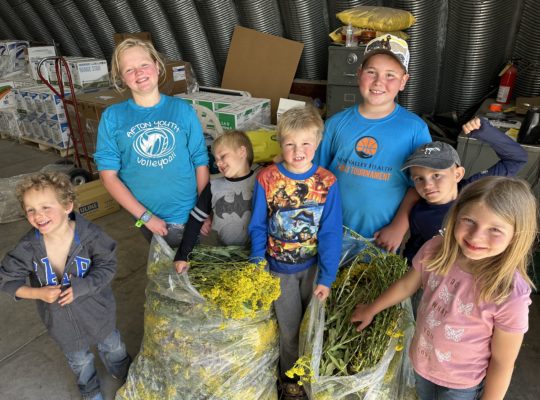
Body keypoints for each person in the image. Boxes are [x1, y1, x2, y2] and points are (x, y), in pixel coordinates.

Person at [351, 176, 537, 400]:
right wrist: (371, 309)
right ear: (456, 215)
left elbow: (502, 361)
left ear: (517, 236)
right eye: (469, 220)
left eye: (495, 230)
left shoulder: (509, 292)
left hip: (461, 385)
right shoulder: (436, 249)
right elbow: (407, 284)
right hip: (421, 365)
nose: (476, 236)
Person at [0, 172, 131, 400]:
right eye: (30, 210)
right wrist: (37, 292)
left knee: (113, 346)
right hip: (62, 323)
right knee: (80, 361)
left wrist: (83, 287)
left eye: (45, 207)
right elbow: (6, 279)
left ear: (67, 206)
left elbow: (107, 265)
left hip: (97, 313)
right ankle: (90, 390)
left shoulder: (90, 236)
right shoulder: (28, 248)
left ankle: (124, 372)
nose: (38, 215)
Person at [249, 106, 343, 399]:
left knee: (311, 328)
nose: (298, 151)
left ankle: (311, 375)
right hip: (279, 270)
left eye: (305, 143)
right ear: (280, 142)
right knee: (288, 329)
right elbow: (257, 225)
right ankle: (289, 378)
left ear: (317, 143)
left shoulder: (327, 182)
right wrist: (257, 262)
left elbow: (330, 232)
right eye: (290, 144)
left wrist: (326, 277)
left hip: (313, 269)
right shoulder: (267, 178)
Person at [316, 34, 431, 252]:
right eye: (371, 72)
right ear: (359, 73)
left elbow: (421, 185)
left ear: (403, 81)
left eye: (390, 75)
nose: (379, 82)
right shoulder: (335, 124)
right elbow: (317, 175)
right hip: (331, 230)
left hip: (380, 238)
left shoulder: (415, 130)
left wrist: (398, 227)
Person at [94, 37, 209, 248]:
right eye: (129, 70)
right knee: (163, 265)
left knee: (192, 263)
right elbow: (108, 177)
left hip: (190, 213)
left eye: (144, 64)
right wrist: (146, 217)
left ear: (157, 66)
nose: (139, 73)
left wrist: (203, 210)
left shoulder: (182, 110)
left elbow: (200, 161)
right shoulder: (113, 117)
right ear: (121, 77)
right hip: (147, 217)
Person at [401, 116, 528, 265]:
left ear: (457, 174)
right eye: (419, 179)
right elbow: (415, 249)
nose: (427, 185)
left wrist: (485, 131)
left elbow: (516, 159)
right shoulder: (419, 213)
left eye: (436, 175)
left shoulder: (474, 189)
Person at [174, 130, 256, 273]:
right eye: (216, 159)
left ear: (242, 152)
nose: (218, 163)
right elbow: (195, 221)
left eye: (223, 156)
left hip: (256, 254)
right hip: (224, 254)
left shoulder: (262, 181)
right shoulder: (214, 187)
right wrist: (182, 255)